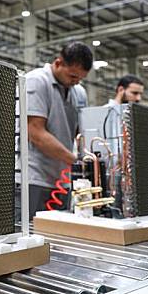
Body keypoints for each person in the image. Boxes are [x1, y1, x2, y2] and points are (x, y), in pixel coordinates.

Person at [21, 42, 93, 218]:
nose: (76, 82)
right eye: (72, 76)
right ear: (58, 63)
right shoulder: (36, 81)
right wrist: (76, 162)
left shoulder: (79, 92)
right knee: (32, 235)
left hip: (64, 180)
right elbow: (35, 132)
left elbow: (80, 134)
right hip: (34, 178)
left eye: (80, 78)